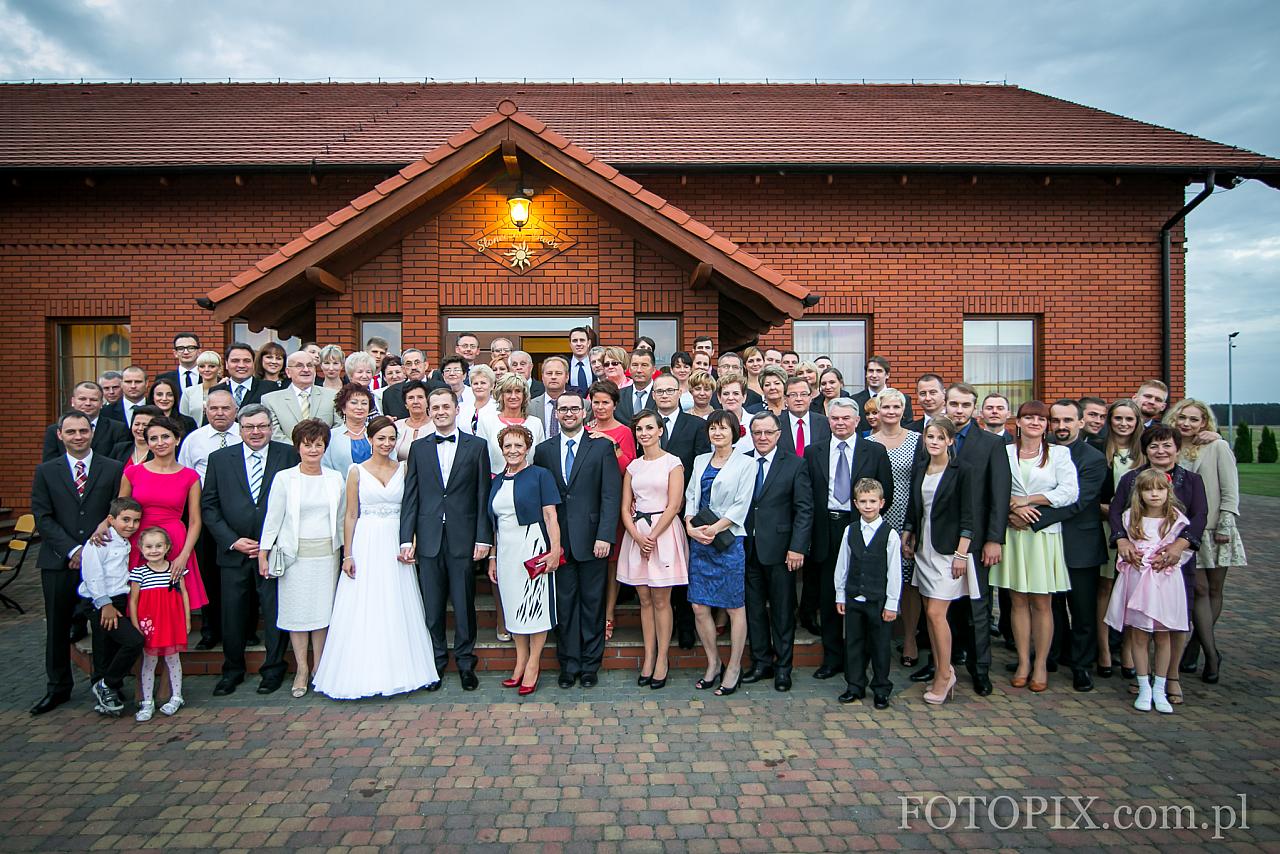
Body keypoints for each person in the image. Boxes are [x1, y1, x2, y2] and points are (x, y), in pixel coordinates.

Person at [313, 416, 438, 699]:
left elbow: (412, 508)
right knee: (365, 603)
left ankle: (401, 668)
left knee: (397, 601)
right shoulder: (356, 471)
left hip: (396, 539)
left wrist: (412, 541)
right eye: (381, 438)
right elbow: (351, 514)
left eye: (391, 438)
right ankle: (362, 670)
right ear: (370, 440)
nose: (386, 443)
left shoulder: (404, 469)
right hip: (367, 540)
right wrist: (348, 553)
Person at [29, 412, 126, 716]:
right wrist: (73, 550)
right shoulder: (46, 471)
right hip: (60, 562)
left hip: (102, 561)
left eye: (83, 431)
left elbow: (115, 512)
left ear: (91, 433)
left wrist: (90, 552)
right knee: (58, 627)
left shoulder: (112, 469)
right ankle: (58, 688)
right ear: (60, 435)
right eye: (71, 432)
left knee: (103, 627)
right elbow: (43, 517)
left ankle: (106, 684)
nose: (78, 436)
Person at [399, 387, 494, 691]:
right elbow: (411, 496)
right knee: (433, 606)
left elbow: (482, 495)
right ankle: (436, 661)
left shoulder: (476, 446)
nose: (440, 411)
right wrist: (406, 537)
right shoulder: (419, 448)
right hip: (428, 538)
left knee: (465, 604)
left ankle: (466, 662)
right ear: (429, 411)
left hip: (463, 537)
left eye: (445, 406)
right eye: (434, 407)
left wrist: (483, 537)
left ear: (456, 409)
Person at [202, 403, 300, 696]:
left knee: (273, 612)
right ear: (240, 428)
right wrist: (232, 540)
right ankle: (232, 671)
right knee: (232, 615)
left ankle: (273, 669)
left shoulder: (287, 456)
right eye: (249, 427)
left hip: (272, 552)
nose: (256, 432)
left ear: (271, 427)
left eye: (262, 426)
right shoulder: (219, 459)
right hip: (234, 551)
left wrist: (271, 543)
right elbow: (210, 505)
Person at [1110, 423, 1207, 707]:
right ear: (1146, 449)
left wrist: (1179, 546)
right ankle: (1143, 679)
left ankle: (1170, 676)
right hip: (1138, 560)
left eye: (1167, 445)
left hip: (1175, 561)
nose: (1160, 451)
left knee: (1173, 621)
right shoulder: (1131, 479)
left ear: (1177, 448)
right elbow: (1117, 512)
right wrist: (1122, 542)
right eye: (1154, 446)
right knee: (1140, 619)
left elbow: (1200, 515)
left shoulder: (1191, 480)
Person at [533, 392, 621, 688]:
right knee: (565, 604)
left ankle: (589, 666)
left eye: (574, 408)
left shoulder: (601, 448)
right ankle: (568, 665)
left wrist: (605, 535)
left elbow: (611, 494)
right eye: (563, 409)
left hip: (593, 540)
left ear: (584, 413)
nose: (568, 413)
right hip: (559, 543)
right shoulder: (544, 451)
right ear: (556, 414)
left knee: (592, 604)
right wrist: (547, 542)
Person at [989, 400, 1078, 693]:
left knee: (1042, 601)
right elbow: (994, 490)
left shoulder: (1059, 454)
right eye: (1029, 418)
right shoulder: (1003, 453)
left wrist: (1029, 500)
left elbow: (1069, 492)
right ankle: (1023, 661)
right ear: (1019, 422)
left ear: (1046, 425)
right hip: (1014, 534)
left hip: (1043, 536)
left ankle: (1041, 664)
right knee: (1016, 600)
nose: (1035, 423)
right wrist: (1013, 511)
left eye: (1041, 419)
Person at [804, 397, 893, 679]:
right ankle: (833, 658)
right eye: (835, 418)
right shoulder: (813, 451)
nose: (840, 423)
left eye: (846, 418)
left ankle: (862, 661)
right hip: (826, 528)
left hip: (860, 527)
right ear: (828, 420)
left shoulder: (874, 451)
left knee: (862, 595)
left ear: (857, 421)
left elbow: (885, 493)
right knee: (830, 594)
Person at [258, 418, 347, 698]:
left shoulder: (335, 478)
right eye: (307, 445)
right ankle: (301, 669)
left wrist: (347, 552)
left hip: (326, 554)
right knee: (297, 614)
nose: (313, 450)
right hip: (294, 556)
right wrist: (264, 551)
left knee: (322, 613)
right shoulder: (285, 478)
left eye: (318, 445)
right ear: (298, 447)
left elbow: (343, 517)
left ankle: (320, 667)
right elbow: (273, 518)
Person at [902, 417, 980, 705]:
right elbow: (916, 507)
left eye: (939, 437)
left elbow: (969, 516)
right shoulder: (921, 467)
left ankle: (945, 675)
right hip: (924, 548)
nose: (933, 442)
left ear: (950, 440)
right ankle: (941, 668)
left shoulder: (962, 471)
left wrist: (961, 553)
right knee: (928, 611)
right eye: (929, 437)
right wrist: (908, 533)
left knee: (936, 613)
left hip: (949, 552)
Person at [1168, 399, 1245, 684]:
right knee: (1199, 589)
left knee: (1214, 589)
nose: (1186, 424)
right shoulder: (1171, 447)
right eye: (1182, 418)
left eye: (1193, 419)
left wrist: (1226, 521)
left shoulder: (1216, 447)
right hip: (1185, 531)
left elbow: (1230, 488)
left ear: (1204, 423)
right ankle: (1212, 653)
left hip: (1216, 528)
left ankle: (1197, 646)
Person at [1105, 468, 1193, 713]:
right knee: (1139, 634)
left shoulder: (1176, 520)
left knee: (1163, 634)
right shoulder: (1130, 518)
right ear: (1139, 493)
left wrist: (1166, 557)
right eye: (1148, 489)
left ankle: (1160, 686)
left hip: (1163, 582)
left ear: (1168, 492)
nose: (1154, 494)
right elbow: (1125, 549)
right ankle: (1143, 684)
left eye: (1160, 489)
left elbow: (1182, 552)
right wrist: (1131, 556)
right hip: (1137, 580)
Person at [1036, 400, 1109, 692]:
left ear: (1081, 422)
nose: (1062, 426)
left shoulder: (1092, 458)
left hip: (1081, 541)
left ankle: (1081, 665)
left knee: (1081, 609)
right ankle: (1052, 656)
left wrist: (1033, 517)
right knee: (1049, 605)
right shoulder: (1042, 452)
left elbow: (1079, 501)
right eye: (1056, 421)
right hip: (1047, 542)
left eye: (1068, 420)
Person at [740, 412, 813, 692]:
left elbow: (804, 509)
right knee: (754, 610)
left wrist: (797, 547)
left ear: (778, 434)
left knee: (782, 611)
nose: (762, 438)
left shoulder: (795, 464)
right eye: (757, 433)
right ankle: (761, 663)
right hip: (747, 548)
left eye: (768, 433)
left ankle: (784, 668)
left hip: (782, 551)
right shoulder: (742, 461)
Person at [684, 410, 755, 695]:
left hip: (728, 541)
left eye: (723, 428)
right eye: (713, 428)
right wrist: (690, 526)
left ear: (734, 432)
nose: (717, 433)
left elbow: (742, 504)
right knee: (699, 606)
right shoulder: (701, 460)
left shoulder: (746, 464)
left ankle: (734, 666)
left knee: (734, 606)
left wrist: (715, 528)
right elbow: (691, 495)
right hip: (700, 541)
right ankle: (713, 663)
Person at [487, 425, 562, 695]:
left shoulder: (540, 475)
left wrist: (555, 550)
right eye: (508, 446)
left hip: (532, 545)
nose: (513, 451)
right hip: (506, 550)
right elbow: (494, 524)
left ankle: (533, 663)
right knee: (513, 606)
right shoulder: (496, 481)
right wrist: (493, 557)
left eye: (519, 445)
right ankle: (519, 661)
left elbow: (550, 515)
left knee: (535, 606)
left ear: (527, 447)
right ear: (501, 448)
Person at [617, 411, 689, 690]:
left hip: (664, 533)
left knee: (661, 599)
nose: (644, 433)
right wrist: (636, 535)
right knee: (644, 599)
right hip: (637, 534)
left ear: (660, 430)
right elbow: (625, 506)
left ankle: (662, 659)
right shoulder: (634, 466)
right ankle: (648, 657)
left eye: (650, 427)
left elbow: (674, 505)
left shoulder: (673, 463)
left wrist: (653, 537)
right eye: (639, 429)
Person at [119, 416, 210, 616]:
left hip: (175, 541)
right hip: (139, 541)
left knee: (170, 603)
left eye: (165, 437)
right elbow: (119, 512)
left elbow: (195, 520)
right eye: (153, 438)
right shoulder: (132, 472)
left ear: (177, 440)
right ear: (148, 443)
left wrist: (184, 555)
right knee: (139, 601)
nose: (160, 443)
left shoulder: (190, 476)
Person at [178, 389, 242, 650]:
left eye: (225, 408)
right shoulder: (195, 440)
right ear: (205, 411)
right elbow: (185, 477)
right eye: (214, 408)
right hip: (205, 517)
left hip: (238, 516)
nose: (220, 413)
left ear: (235, 411)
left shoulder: (247, 433)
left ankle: (243, 629)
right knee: (208, 575)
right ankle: (210, 629)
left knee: (239, 577)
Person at [650, 371, 709, 648]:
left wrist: (687, 505)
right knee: (658, 572)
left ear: (679, 394)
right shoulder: (645, 424)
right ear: (653, 395)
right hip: (651, 511)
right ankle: (664, 626)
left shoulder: (696, 425)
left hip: (683, 508)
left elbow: (699, 468)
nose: (664, 395)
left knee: (682, 569)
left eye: (669, 390)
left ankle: (685, 627)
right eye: (659, 391)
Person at [865, 389, 923, 666]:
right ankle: (877, 637)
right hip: (876, 517)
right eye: (885, 406)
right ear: (877, 410)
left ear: (903, 409)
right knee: (878, 576)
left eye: (896, 406)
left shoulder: (917, 441)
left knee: (909, 579)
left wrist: (912, 524)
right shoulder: (867, 442)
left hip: (909, 516)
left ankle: (910, 638)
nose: (890, 411)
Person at [833, 478, 901, 709]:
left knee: (880, 646)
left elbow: (894, 572)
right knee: (853, 643)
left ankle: (881, 687)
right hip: (854, 598)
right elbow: (843, 564)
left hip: (878, 601)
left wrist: (892, 603)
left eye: (873, 501)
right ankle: (855, 685)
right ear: (855, 503)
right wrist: (840, 594)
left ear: (881, 503)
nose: (868, 506)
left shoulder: (890, 535)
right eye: (863, 501)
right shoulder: (849, 531)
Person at [77, 497, 145, 717]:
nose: (131, 525)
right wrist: (103, 603)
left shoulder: (126, 542)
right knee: (134, 640)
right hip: (101, 601)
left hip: (119, 599)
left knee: (107, 646)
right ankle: (106, 684)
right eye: (125, 519)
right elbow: (92, 574)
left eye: (135, 521)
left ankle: (106, 687)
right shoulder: (99, 541)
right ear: (110, 519)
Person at [587, 380, 637, 643]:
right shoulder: (584, 429)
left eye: (605, 402)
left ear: (615, 404)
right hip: (589, 503)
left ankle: (609, 614)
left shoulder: (624, 432)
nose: (600, 407)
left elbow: (628, 469)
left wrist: (611, 444)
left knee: (611, 563)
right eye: (596, 402)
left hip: (615, 502)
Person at [1098, 398, 1145, 677]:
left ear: (1137, 422)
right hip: (1105, 526)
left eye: (1130, 419)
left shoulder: (1145, 453)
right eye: (1118, 418)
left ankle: (1128, 651)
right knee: (1104, 589)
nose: (1124, 424)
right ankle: (1103, 649)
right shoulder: (1099, 450)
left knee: (1132, 590)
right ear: (1110, 420)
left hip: (1139, 531)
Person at [127, 527, 191, 721]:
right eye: (148, 546)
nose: (153, 550)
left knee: (173, 659)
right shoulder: (139, 573)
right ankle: (147, 702)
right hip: (150, 623)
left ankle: (177, 696)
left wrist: (187, 620)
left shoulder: (175, 570)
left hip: (171, 621)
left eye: (158, 546)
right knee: (149, 661)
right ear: (140, 548)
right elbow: (134, 600)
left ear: (167, 547)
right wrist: (135, 623)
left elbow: (184, 594)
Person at [262, 351, 340, 443]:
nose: (306, 369)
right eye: (299, 366)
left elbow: (338, 428)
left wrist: (319, 447)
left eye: (310, 365)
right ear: (288, 372)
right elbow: (274, 433)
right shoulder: (270, 400)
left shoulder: (333, 396)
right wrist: (301, 449)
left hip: (325, 454)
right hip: (288, 454)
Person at [42, 381, 129, 461]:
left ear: (101, 403)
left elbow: (121, 463)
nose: (88, 403)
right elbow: (50, 464)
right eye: (82, 399)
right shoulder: (54, 430)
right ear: (73, 401)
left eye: (93, 400)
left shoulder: (118, 429)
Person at [477, 374, 545, 474]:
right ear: (501, 395)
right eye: (508, 391)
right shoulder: (487, 421)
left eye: (518, 391)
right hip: (495, 482)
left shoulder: (536, 423)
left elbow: (540, 459)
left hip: (529, 483)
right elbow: (480, 459)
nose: (513, 396)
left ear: (524, 395)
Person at [322, 383, 374, 473]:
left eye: (364, 403)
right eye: (354, 403)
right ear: (343, 408)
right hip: (340, 485)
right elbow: (325, 467)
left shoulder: (377, 432)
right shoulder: (331, 436)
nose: (359, 407)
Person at [852, 356, 914, 429]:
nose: (874, 375)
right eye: (871, 371)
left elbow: (907, 427)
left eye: (879, 371)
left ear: (887, 375)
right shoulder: (855, 400)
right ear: (866, 374)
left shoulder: (903, 399)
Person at [212, 343, 272, 408]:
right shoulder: (216, 391)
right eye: (235, 361)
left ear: (253, 363)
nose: (241, 365)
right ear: (226, 364)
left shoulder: (270, 389)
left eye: (247, 361)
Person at [179, 350, 225, 427]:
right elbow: (182, 419)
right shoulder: (189, 392)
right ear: (198, 369)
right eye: (202, 366)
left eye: (212, 366)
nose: (206, 369)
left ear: (219, 369)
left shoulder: (226, 390)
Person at [393, 380, 433, 459]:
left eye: (420, 397)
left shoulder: (437, 426)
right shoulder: (396, 426)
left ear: (428, 401)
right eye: (411, 398)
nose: (415, 402)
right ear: (406, 404)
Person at [530, 356, 569, 437]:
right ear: (542, 377)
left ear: (567, 377)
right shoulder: (530, 406)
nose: (553, 377)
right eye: (549, 373)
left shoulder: (582, 405)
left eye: (558, 373)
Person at [458, 363, 497, 435]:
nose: (479, 386)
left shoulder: (498, 408)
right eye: (475, 383)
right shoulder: (462, 408)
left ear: (492, 386)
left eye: (483, 383)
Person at [567, 326, 596, 395]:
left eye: (582, 340)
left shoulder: (596, 365)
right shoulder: (565, 366)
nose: (579, 344)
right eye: (575, 341)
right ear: (570, 344)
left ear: (588, 343)